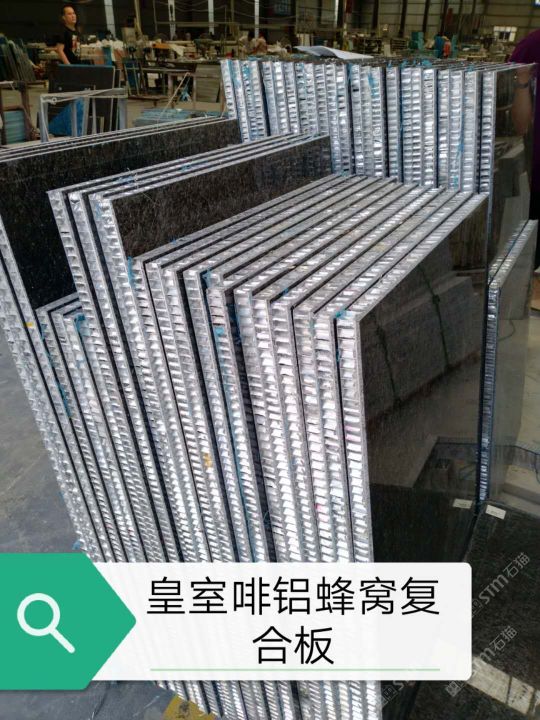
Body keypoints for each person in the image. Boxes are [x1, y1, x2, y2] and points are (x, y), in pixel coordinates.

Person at [510, 29, 540, 309]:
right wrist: (521, 81)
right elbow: (520, 125)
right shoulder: (533, 44)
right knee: (526, 259)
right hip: (536, 178)